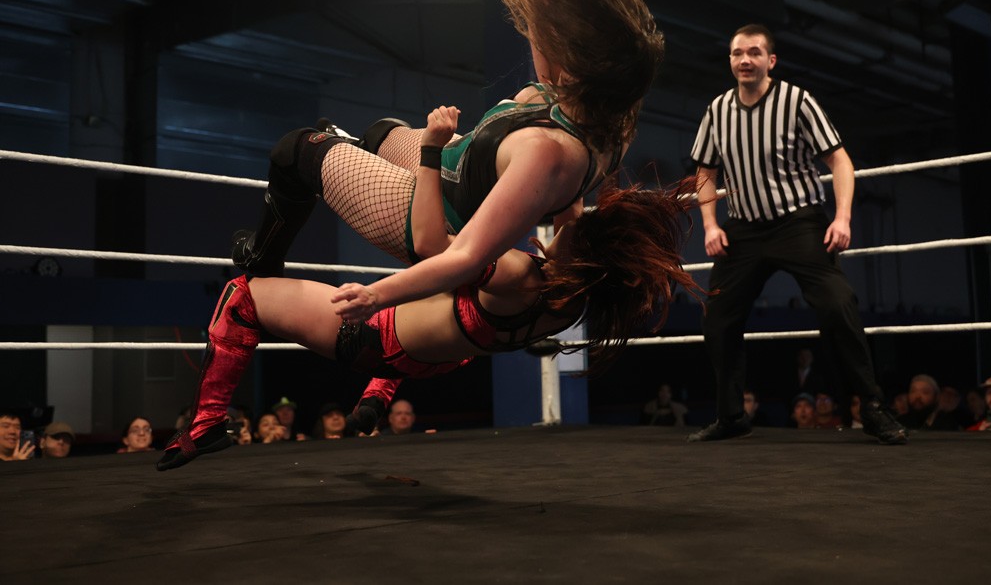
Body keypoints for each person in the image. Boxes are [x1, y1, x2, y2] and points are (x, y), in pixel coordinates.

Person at [230, 0, 664, 328]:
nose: (545, 43)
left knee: (297, 151)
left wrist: (377, 295)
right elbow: (568, 192)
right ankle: (348, 155)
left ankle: (261, 256)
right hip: (462, 165)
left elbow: (464, 256)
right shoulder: (609, 124)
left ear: (579, 69)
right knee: (381, 134)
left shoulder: (548, 153)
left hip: (440, 217)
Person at [157, 152, 706, 469]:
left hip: (373, 339)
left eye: (574, 229)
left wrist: (431, 150)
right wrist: (586, 171)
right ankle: (377, 396)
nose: (563, 225)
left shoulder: (519, 274)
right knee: (437, 304)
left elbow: (431, 245)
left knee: (243, 296)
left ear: (582, 252)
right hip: (432, 361)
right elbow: (571, 223)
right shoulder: (573, 301)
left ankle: (205, 425)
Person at [685, 23, 906, 446]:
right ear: (730, 60)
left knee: (838, 303)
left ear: (770, 61)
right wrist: (711, 225)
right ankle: (731, 415)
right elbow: (705, 173)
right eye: (737, 53)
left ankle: (872, 407)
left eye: (754, 52)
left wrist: (842, 218)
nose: (745, 60)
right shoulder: (717, 110)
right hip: (744, 229)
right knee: (717, 315)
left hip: (798, 222)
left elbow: (840, 162)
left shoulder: (797, 101)